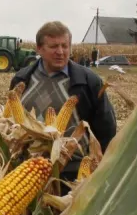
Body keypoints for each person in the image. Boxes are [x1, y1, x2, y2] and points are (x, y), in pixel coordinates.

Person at [12, 21, 117, 182]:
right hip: (28, 169)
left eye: (65, 46)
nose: (60, 52)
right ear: (39, 49)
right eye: (54, 46)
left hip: (73, 171)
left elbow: (106, 127)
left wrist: (98, 165)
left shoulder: (89, 81)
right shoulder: (22, 79)